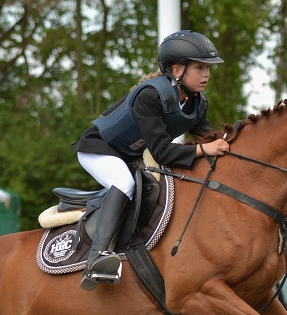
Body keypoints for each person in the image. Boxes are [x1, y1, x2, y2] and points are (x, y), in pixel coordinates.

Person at [71, 30, 230, 291]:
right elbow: (163, 153)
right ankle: (97, 257)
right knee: (124, 183)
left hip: (128, 156)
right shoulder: (150, 96)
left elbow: (209, 141)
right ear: (177, 69)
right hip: (97, 148)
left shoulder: (197, 104)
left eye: (208, 68)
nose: (207, 74)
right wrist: (205, 149)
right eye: (200, 67)